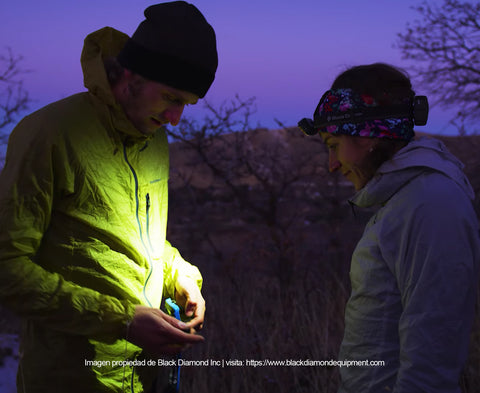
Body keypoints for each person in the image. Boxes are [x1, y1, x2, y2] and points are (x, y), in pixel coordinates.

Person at [0, 2, 218, 392]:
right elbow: (8, 266)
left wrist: (183, 278)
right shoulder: (48, 134)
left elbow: (137, 241)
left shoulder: (154, 138)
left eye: (186, 103)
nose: (175, 118)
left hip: (145, 373)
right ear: (132, 74)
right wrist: (122, 320)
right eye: (170, 97)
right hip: (71, 378)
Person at [298, 63, 480, 392]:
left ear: (368, 136)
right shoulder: (405, 201)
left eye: (333, 145)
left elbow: (431, 363)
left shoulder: (430, 205)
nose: (331, 165)